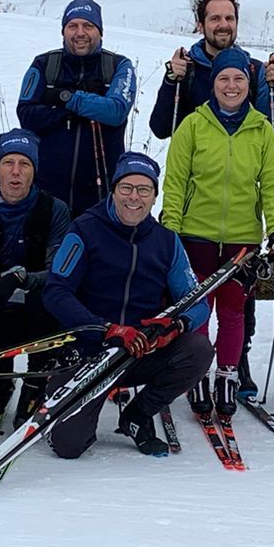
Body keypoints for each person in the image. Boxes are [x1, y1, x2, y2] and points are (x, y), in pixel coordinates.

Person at [41, 151, 218, 458]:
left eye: (144, 190)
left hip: (139, 350)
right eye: (126, 188)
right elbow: (56, 292)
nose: (134, 197)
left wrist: (175, 327)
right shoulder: (84, 230)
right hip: (91, 354)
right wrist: (105, 328)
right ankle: (63, 397)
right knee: (69, 447)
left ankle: (138, 414)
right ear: (114, 190)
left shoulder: (166, 241)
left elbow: (197, 303)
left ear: (153, 197)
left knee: (198, 349)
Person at [160, 47, 274, 418]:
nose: (231, 86)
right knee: (199, 310)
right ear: (213, 83)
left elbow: (273, 186)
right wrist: (170, 230)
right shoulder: (193, 125)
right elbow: (176, 182)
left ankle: (227, 374)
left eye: (239, 79)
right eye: (223, 78)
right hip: (195, 234)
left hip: (241, 239)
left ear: (250, 84)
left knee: (233, 311)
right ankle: (197, 373)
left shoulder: (262, 129)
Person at [0, 128, 75, 430]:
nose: (15, 172)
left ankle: (35, 387)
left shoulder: (55, 210)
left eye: (24, 165)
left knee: (49, 305)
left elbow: (59, 271)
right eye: (8, 163)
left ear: (34, 171)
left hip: (38, 306)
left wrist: (23, 279)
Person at [15, 0, 137, 218]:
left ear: (100, 31)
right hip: (46, 197)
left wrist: (67, 98)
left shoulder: (119, 66)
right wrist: (74, 108)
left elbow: (115, 111)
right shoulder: (44, 65)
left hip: (101, 199)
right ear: (63, 32)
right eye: (73, 26)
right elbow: (26, 115)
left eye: (88, 26)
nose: (80, 33)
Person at [147, 0, 274, 140]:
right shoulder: (187, 69)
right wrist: (171, 80)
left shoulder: (255, 72)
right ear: (200, 25)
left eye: (229, 18)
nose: (223, 25)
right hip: (195, 162)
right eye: (215, 18)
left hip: (246, 162)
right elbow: (161, 129)